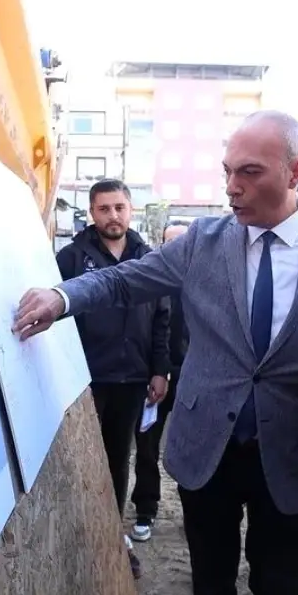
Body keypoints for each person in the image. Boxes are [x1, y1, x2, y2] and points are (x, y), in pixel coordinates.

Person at [14, 110, 298, 595]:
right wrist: (62, 296)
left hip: (287, 463)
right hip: (205, 451)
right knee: (211, 593)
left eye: (250, 173)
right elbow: (125, 282)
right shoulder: (203, 243)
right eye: (227, 171)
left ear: (295, 172)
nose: (232, 187)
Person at [55, 178, 170, 578]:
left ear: (130, 210)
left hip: (132, 377)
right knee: (80, 458)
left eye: (119, 207)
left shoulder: (149, 258)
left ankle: (111, 532)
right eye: (104, 209)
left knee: (119, 457)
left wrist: (159, 369)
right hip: (85, 379)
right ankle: (78, 533)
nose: (113, 216)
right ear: (92, 213)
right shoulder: (71, 258)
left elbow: (162, 319)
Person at [130, 219, 191, 542]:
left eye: (184, 241)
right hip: (156, 375)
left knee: (195, 450)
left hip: (194, 379)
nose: (178, 248)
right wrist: (157, 370)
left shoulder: (210, 282)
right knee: (146, 446)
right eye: (171, 242)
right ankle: (146, 509)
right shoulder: (152, 280)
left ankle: (194, 513)